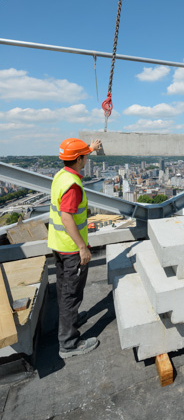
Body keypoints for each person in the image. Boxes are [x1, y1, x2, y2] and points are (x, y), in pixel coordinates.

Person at [47, 137, 102, 359]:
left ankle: (68, 323)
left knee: (63, 289)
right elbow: (67, 216)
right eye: (85, 156)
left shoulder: (62, 175)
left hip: (58, 245)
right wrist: (82, 247)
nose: (87, 159)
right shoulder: (73, 186)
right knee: (72, 294)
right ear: (79, 159)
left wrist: (91, 147)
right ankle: (69, 343)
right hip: (72, 249)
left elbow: (77, 156)